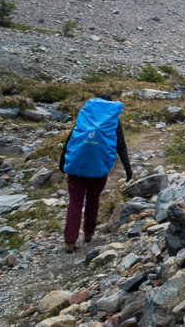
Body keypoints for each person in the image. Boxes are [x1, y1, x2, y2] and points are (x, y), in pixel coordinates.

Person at [59, 93, 132, 252]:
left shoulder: (87, 115)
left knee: (75, 202)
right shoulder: (112, 119)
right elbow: (121, 145)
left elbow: (71, 138)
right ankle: (89, 233)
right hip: (99, 167)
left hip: (78, 165)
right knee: (93, 199)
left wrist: (62, 162)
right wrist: (128, 168)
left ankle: (69, 241)